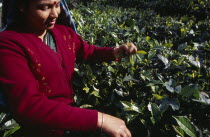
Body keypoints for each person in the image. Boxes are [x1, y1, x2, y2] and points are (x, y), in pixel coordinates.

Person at [0, 0, 137, 137]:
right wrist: (99, 119)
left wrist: (114, 52)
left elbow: (88, 51)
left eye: (57, 5)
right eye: (45, 7)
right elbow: (29, 106)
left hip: (69, 122)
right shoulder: (9, 44)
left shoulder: (63, 33)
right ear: (22, 6)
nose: (55, 14)